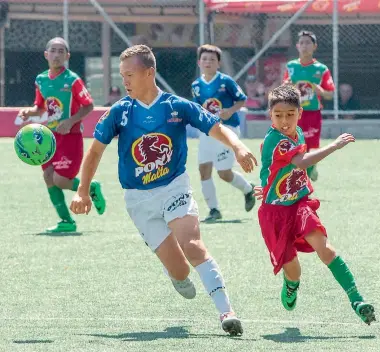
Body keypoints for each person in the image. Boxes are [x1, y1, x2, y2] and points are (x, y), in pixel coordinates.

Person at [70, 44, 258, 335]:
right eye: (122, 75)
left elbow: (216, 127)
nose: (125, 82)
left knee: (193, 246)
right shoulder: (120, 112)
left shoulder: (177, 107)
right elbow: (94, 153)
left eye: (129, 74)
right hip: (138, 200)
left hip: (174, 187)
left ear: (149, 72)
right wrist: (82, 191)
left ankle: (227, 312)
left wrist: (239, 146)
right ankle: (177, 273)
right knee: (181, 271)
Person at [254, 84, 376, 325]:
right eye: (278, 116)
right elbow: (300, 162)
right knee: (294, 271)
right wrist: (334, 145)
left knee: (324, 247)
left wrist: (268, 186)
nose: (285, 120)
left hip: (299, 204)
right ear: (270, 116)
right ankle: (291, 285)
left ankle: (357, 300)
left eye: (290, 114)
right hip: (275, 214)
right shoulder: (276, 140)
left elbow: (279, 169)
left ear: (300, 112)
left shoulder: (297, 132)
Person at [18, 37, 106, 233]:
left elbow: (89, 105)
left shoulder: (72, 80)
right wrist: (29, 112)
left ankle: (91, 187)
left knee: (61, 180)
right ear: (46, 54)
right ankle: (66, 222)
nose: (56, 55)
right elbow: (40, 106)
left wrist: (70, 121)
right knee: (48, 177)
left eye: (61, 51)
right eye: (53, 51)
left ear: (67, 56)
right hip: (50, 138)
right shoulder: (40, 79)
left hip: (71, 137)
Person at [191, 44, 255, 223]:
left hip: (227, 131)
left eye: (212, 59)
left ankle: (248, 189)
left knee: (224, 173)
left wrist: (230, 111)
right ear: (199, 62)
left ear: (218, 63)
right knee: (204, 170)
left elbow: (242, 100)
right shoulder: (196, 85)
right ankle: (214, 210)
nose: (208, 62)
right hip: (207, 131)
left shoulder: (226, 81)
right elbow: (197, 107)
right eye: (204, 59)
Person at [283, 30, 335, 182]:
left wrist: (321, 91)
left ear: (314, 46)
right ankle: (296, 181)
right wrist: (286, 86)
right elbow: (284, 87)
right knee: (295, 147)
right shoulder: (291, 66)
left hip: (313, 113)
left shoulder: (321, 69)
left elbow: (330, 93)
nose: (304, 46)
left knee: (311, 146)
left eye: (308, 43)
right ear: (297, 46)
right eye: (302, 43)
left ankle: (311, 168)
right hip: (294, 113)